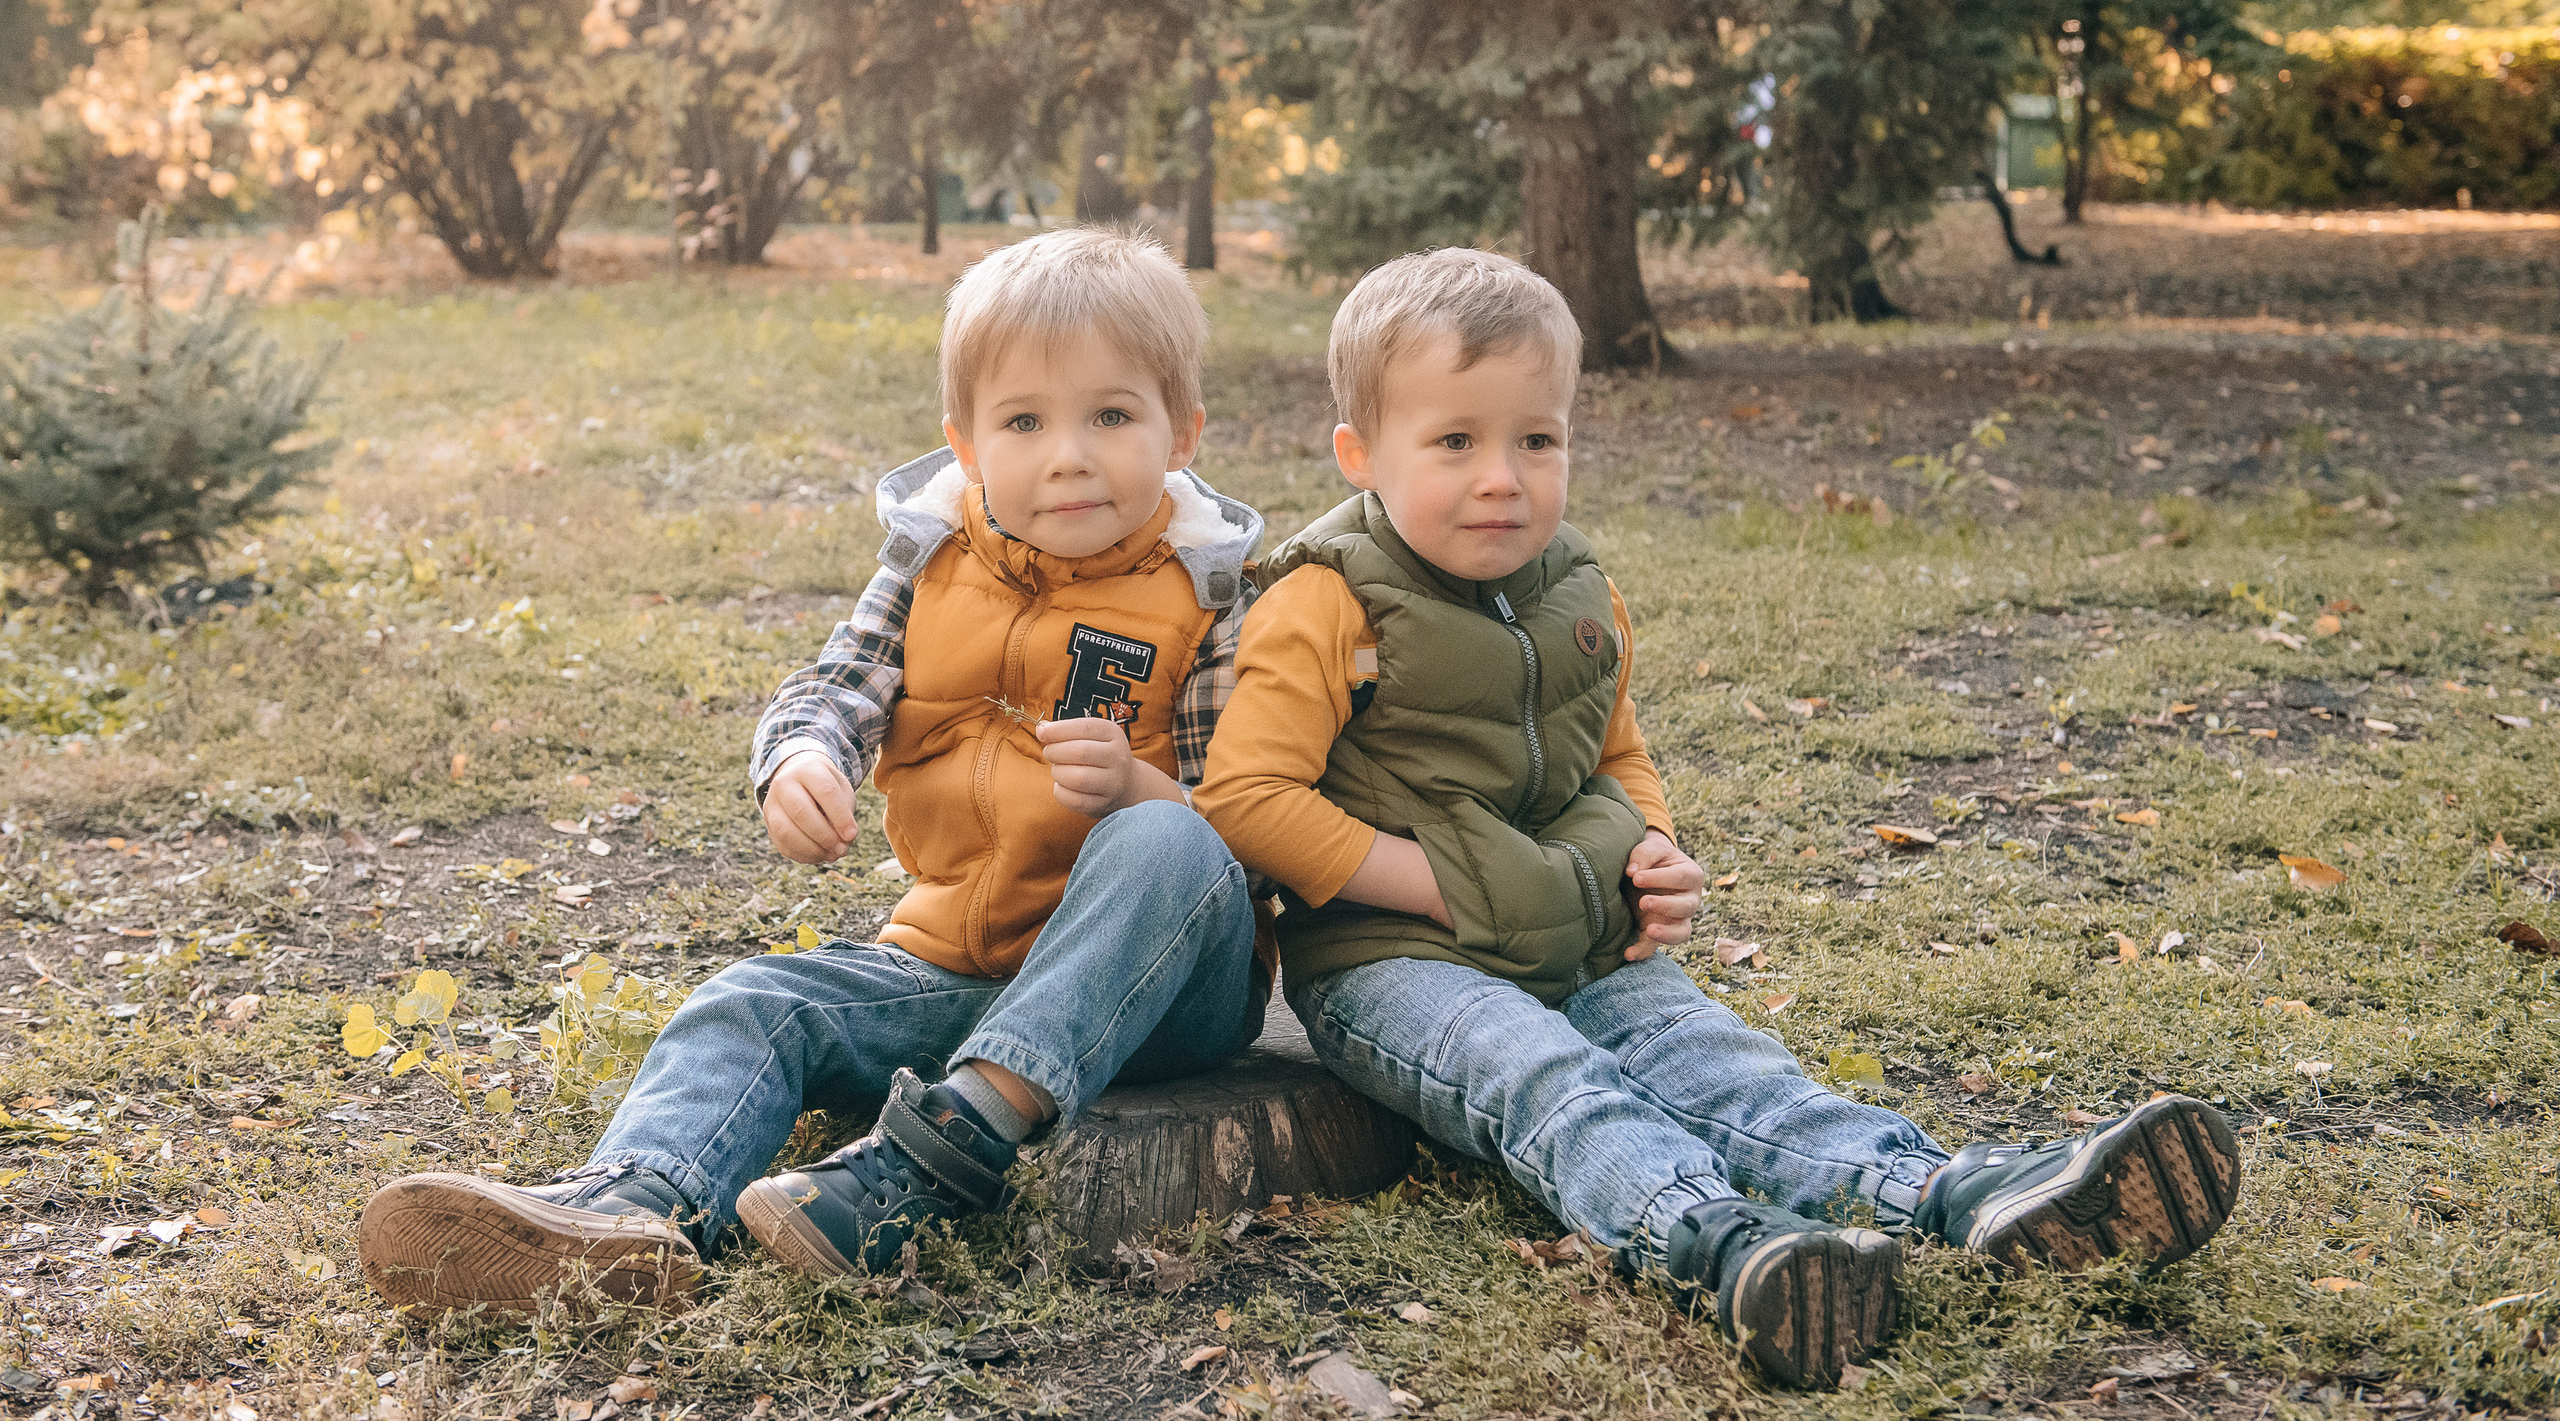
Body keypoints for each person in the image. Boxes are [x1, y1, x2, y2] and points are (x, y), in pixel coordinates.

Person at [1193, 249, 2240, 1391]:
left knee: (1727, 1068)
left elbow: (1614, 749)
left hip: (1578, 928)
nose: (1503, 478)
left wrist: (1652, 852)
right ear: (1361, 455)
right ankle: (1717, 1247)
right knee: (1543, 1078)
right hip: (1395, 961)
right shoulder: (1325, 598)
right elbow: (1247, 799)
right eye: (1455, 443)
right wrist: (1438, 887)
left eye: (1536, 442)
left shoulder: (1575, 589)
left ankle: (1958, 1195)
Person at [357, 227, 1269, 1316]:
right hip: (957, 969)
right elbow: (835, 687)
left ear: (1182, 433)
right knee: (757, 996)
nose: (1067, 454)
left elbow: (1248, 825)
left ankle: (932, 1161)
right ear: (966, 445)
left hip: (1165, 982)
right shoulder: (930, 564)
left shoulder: (1214, 598)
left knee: (1163, 838)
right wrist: (800, 757)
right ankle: (635, 1210)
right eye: (1024, 420)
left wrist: (1143, 790)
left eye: (1111, 416)